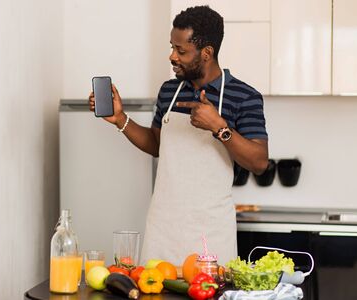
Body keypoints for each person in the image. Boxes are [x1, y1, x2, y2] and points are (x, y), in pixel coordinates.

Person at [89, 5, 268, 266]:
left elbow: (259, 162)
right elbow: (157, 144)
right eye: (172, 47)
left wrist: (220, 128)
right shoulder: (169, 91)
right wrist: (120, 119)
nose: (172, 56)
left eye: (181, 51)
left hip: (211, 236)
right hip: (163, 230)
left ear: (207, 53)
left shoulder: (244, 96)